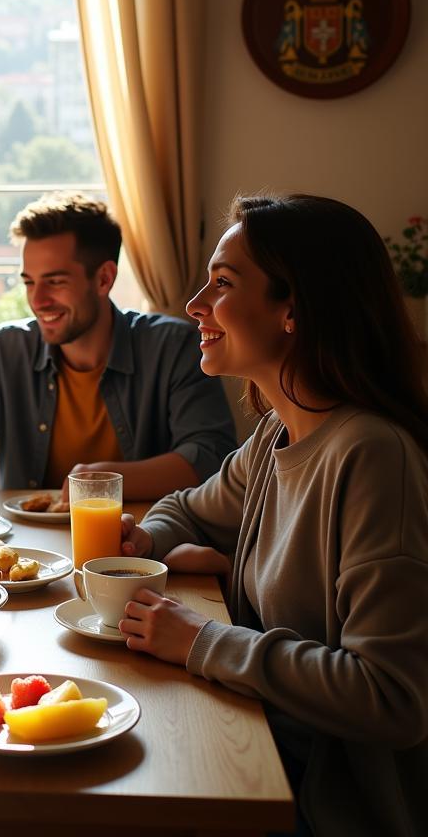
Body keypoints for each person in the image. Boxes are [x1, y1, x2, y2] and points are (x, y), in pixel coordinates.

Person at [117, 194, 428, 836]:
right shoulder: (276, 436)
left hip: (329, 802)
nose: (194, 304)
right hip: (266, 746)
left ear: (294, 310)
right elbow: (185, 507)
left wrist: (203, 640)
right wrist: (148, 537)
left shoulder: (370, 455)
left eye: (223, 283)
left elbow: (392, 699)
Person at [0, 192, 238, 504]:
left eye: (55, 281)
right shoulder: (6, 349)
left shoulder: (173, 346)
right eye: (29, 282)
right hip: (29, 551)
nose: (37, 300)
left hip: (139, 546)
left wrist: (104, 481)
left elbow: (210, 455)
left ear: (104, 279)